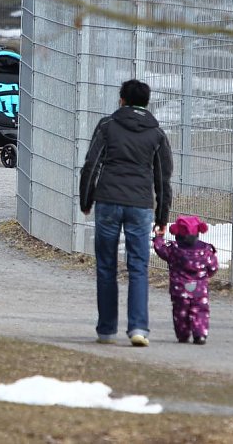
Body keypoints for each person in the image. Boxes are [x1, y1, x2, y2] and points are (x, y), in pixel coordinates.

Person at [79, 79, 173, 347]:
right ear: (146, 102)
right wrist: (162, 218)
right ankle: (138, 329)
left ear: (121, 100)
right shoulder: (157, 134)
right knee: (138, 267)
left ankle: (107, 330)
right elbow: (163, 179)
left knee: (106, 266)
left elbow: (91, 165)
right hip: (141, 206)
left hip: (108, 200)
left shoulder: (107, 125)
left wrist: (86, 199)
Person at [153, 215, 219, 345]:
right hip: (199, 289)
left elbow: (160, 249)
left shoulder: (173, 249)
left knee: (180, 312)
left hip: (179, 289)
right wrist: (206, 276)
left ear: (177, 233)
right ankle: (200, 334)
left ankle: (183, 334)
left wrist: (158, 237)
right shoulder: (206, 250)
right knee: (200, 311)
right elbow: (213, 267)